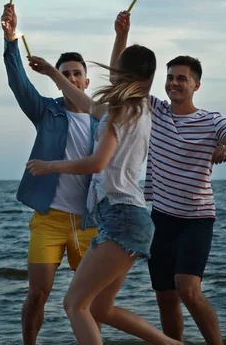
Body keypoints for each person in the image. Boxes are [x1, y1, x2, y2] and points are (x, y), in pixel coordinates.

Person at [26, 45, 180, 345]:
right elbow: (86, 102)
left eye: (116, 69)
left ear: (123, 73)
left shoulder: (121, 110)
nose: (110, 74)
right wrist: (52, 73)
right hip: (130, 219)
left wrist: (50, 165)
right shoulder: (140, 107)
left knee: (74, 304)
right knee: (100, 307)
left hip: (122, 217)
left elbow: (97, 163)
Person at [113, 11, 226, 345]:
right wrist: (121, 35)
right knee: (165, 296)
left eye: (182, 78)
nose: (174, 83)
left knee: (188, 289)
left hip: (196, 220)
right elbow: (121, 80)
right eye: (171, 77)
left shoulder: (210, 120)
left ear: (196, 85)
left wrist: (225, 145)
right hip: (160, 219)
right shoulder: (154, 110)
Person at [0, 3, 99, 344]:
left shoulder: (103, 118)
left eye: (76, 74)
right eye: (65, 74)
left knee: (92, 302)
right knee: (38, 294)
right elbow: (18, 81)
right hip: (50, 219)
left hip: (91, 221)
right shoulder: (47, 111)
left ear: (87, 80)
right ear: (58, 81)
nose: (71, 78)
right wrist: (10, 39)